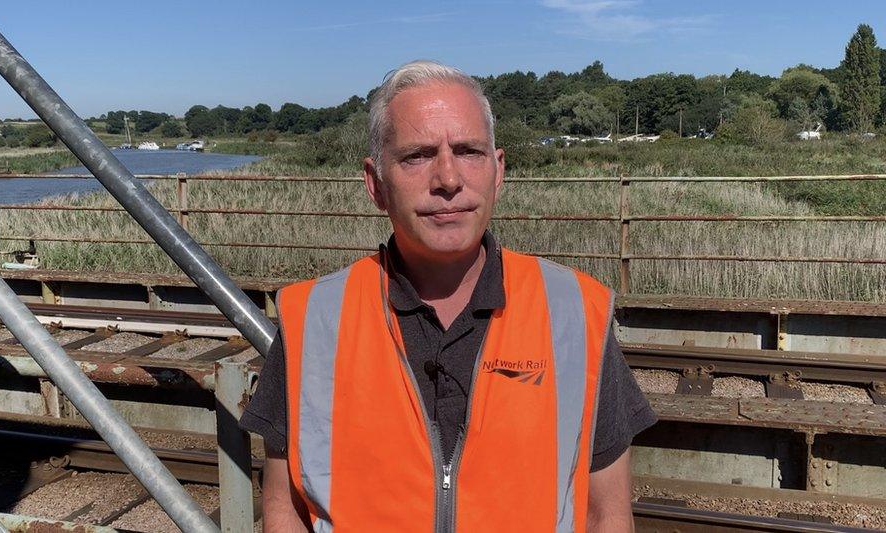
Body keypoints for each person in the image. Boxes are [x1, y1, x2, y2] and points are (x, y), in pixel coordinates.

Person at [239, 60, 656, 532]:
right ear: (376, 184)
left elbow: (609, 514)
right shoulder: (311, 319)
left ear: (498, 171)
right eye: (417, 155)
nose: (448, 178)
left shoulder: (577, 313)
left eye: (468, 151)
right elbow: (284, 508)